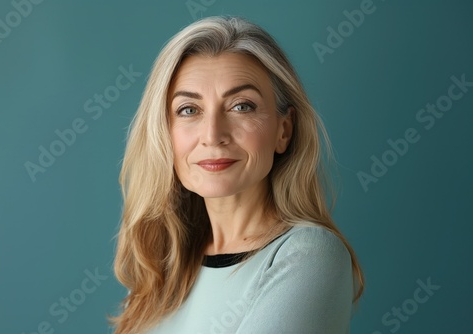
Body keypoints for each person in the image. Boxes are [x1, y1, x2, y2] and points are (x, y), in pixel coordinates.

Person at [111, 16, 364, 334]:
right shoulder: (160, 271)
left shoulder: (309, 255)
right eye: (189, 109)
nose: (213, 135)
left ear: (283, 131)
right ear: (164, 132)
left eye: (241, 106)